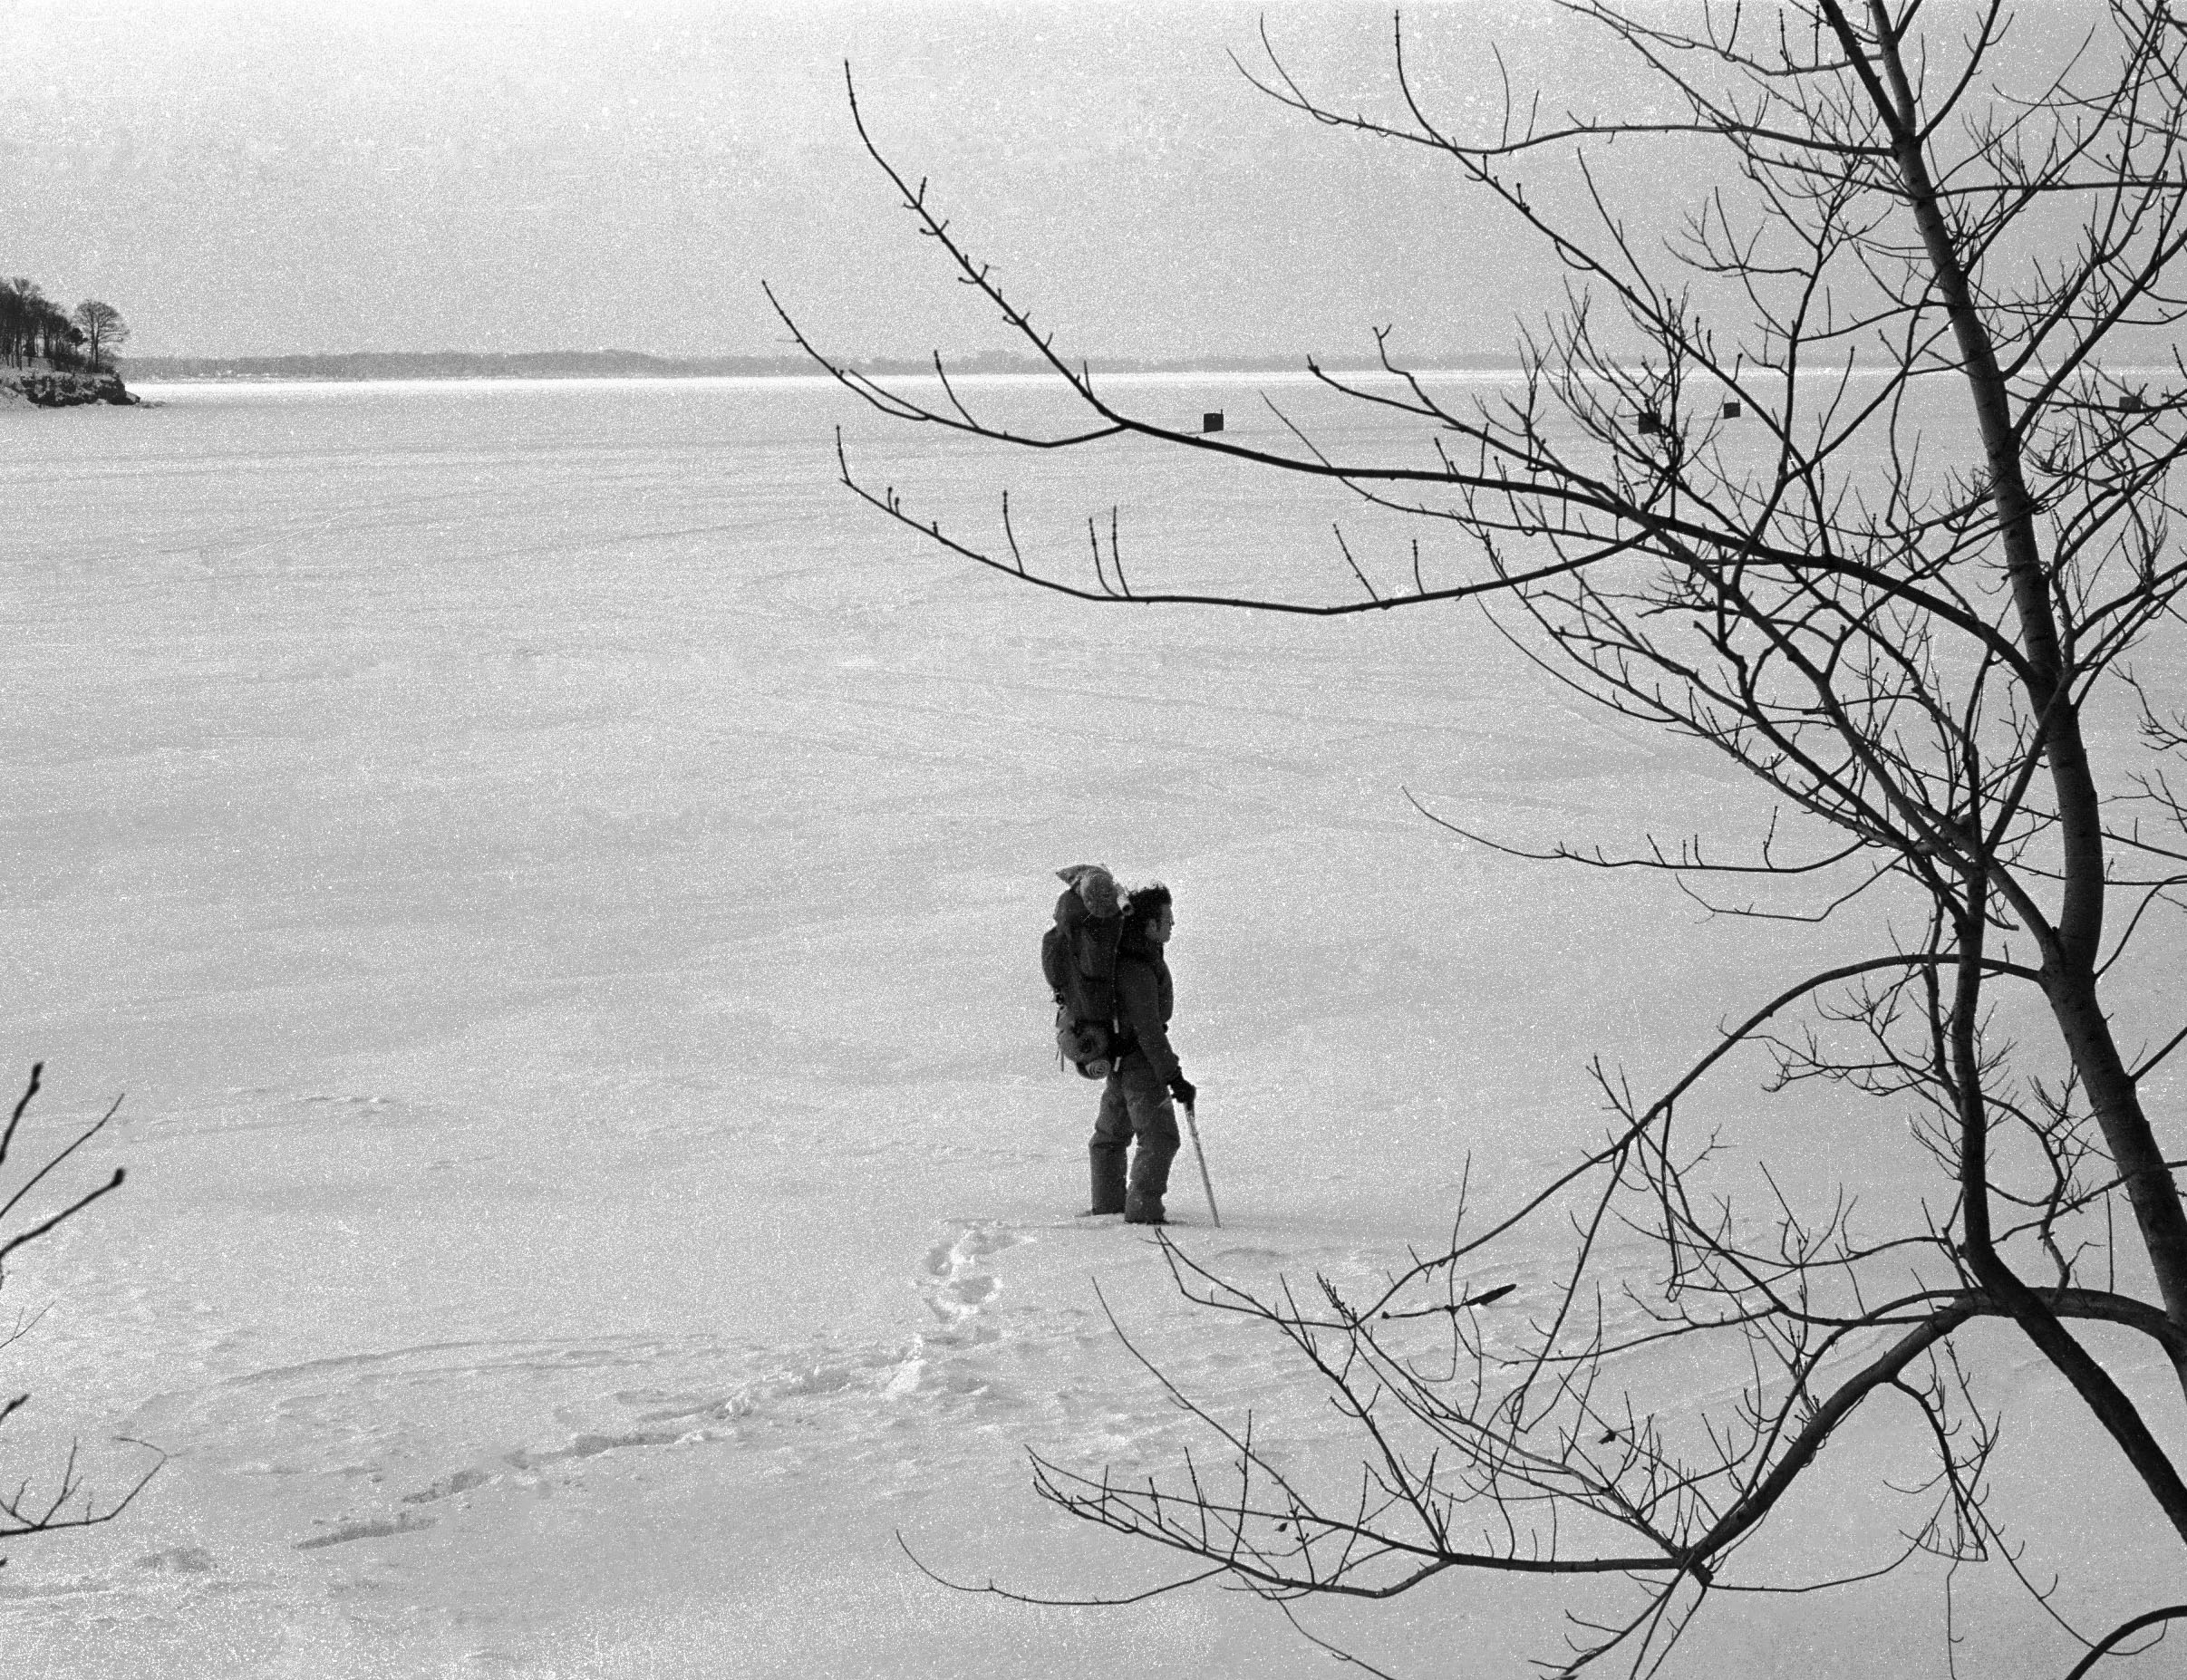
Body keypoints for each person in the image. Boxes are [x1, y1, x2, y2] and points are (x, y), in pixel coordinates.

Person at [1086, 883, 1198, 1224]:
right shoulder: (1137, 967)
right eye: (1167, 917)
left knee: (1110, 1137)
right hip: (1140, 1066)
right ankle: (1144, 1212)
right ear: (1150, 924)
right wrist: (1173, 1076)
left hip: (1121, 1063)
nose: (1173, 923)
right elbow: (1149, 1031)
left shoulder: (1135, 956)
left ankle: (1107, 1209)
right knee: (1161, 1139)